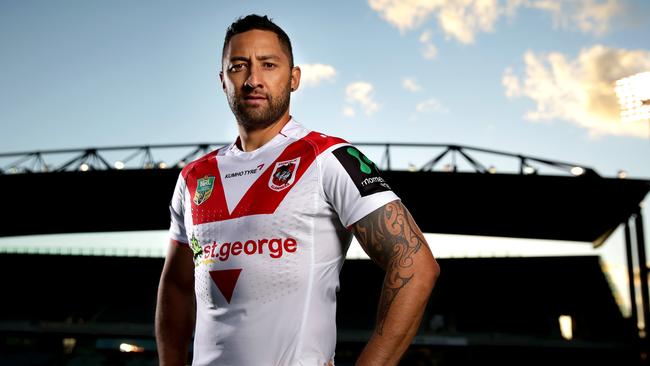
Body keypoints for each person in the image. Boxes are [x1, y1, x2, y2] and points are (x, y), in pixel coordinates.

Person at [155, 14, 440, 366]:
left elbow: (416, 264)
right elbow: (177, 287)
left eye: (268, 65)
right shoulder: (194, 178)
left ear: (294, 79)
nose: (253, 80)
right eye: (239, 66)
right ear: (222, 80)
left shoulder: (330, 158)